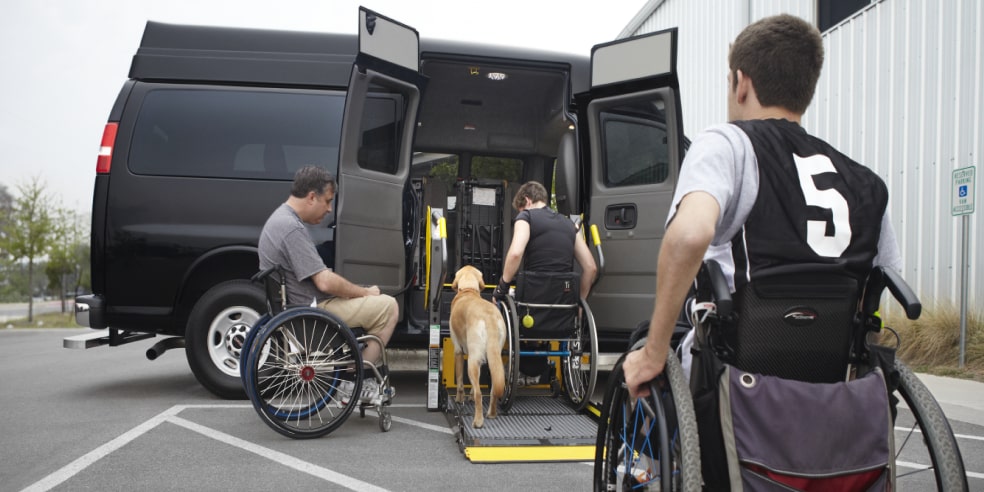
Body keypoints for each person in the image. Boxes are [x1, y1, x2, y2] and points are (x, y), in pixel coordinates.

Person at [622, 14, 902, 399]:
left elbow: (689, 235)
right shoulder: (865, 181)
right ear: (806, 89)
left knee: (644, 343)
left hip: (735, 371)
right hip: (828, 377)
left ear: (741, 83)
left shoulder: (728, 144)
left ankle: (646, 460)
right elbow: (885, 275)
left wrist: (654, 352)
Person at [258, 165, 398, 404]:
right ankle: (356, 380)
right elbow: (323, 282)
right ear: (312, 196)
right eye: (327, 201)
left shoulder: (278, 220)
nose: (329, 209)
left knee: (366, 297)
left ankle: (355, 376)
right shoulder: (291, 229)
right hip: (312, 316)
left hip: (296, 311)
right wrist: (364, 293)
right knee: (389, 307)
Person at [493, 181, 598, 383]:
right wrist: (578, 304)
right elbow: (591, 268)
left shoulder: (527, 217)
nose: (519, 213)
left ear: (527, 201)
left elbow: (515, 253)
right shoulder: (570, 225)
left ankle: (505, 368)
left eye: (520, 209)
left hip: (531, 306)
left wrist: (501, 287)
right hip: (563, 305)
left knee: (502, 305)